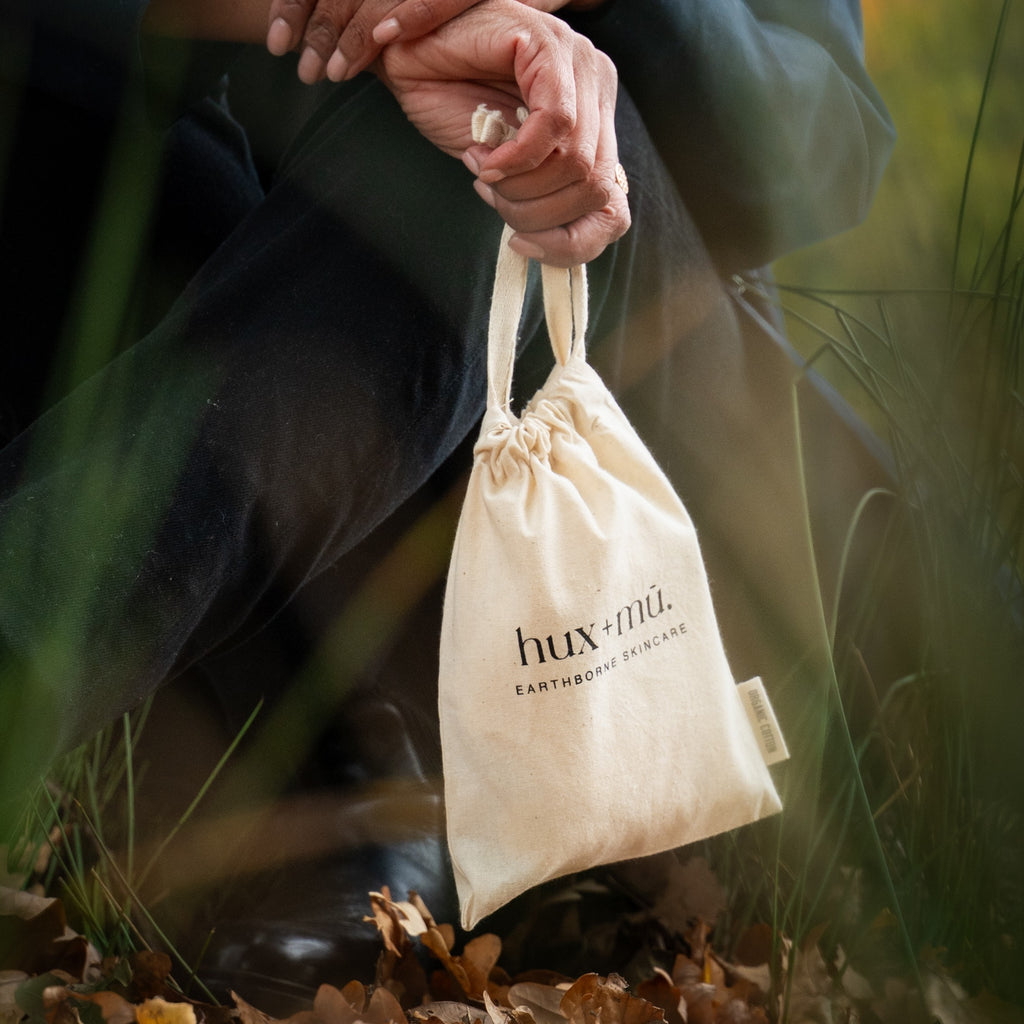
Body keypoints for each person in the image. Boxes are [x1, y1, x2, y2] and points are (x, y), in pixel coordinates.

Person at [0, 0, 895, 1009]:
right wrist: (362, 19)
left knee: (493, 121)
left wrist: (544, 13)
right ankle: (346, 777)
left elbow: (834, 136)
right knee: (50, 85)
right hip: (271, 424)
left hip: (617, 465)